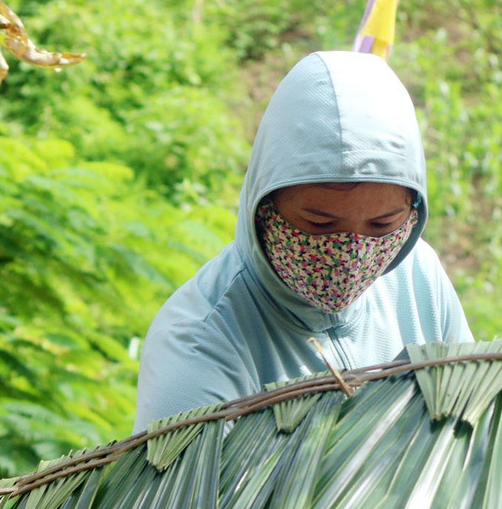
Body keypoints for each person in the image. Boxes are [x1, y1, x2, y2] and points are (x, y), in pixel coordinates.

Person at [134, 51, 473, 428]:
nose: (351, 255)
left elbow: (473, 433)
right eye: (319, 224)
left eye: (382, 225)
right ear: (264, 205)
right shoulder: (200, 344)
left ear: (413, 211)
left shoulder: (417, 278)